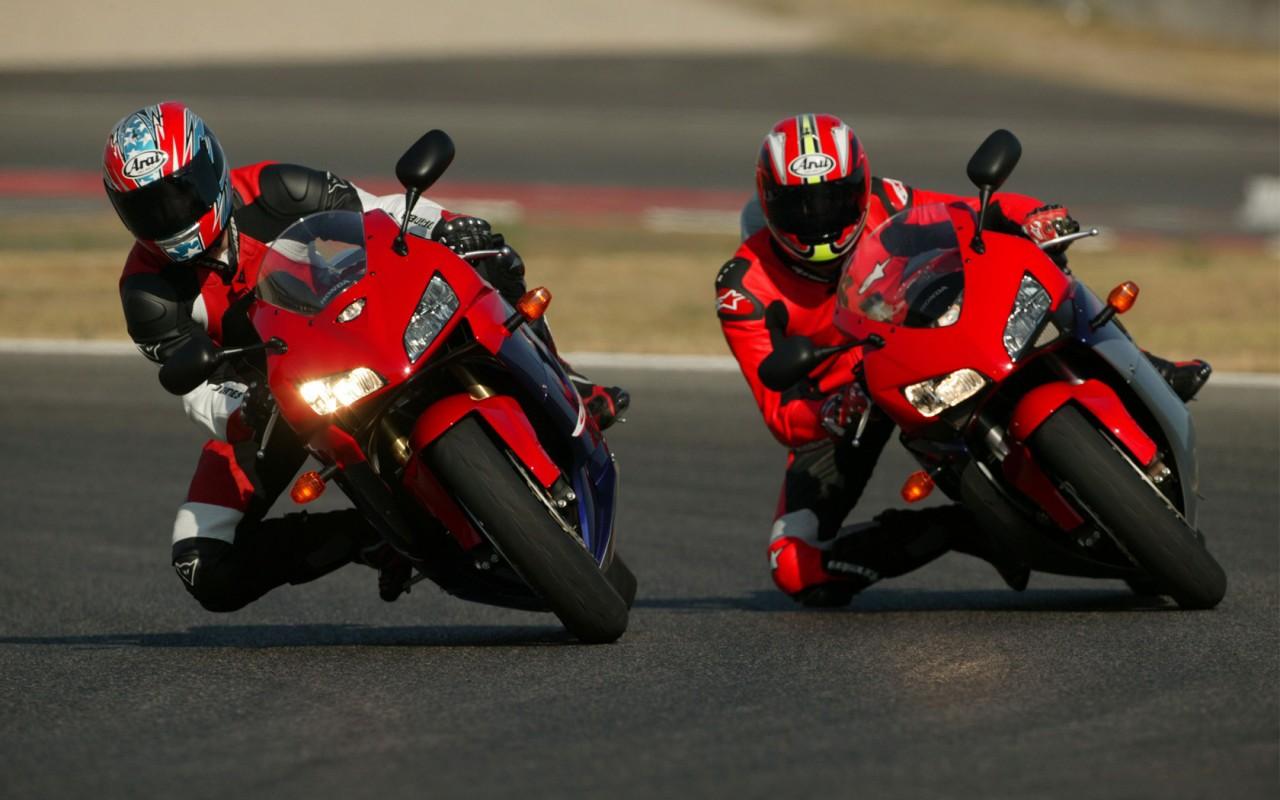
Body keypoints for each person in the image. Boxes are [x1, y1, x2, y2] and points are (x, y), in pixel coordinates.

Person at [104, 101, 628, 612]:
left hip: (358, 323)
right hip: (276, 399)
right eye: (148, 208)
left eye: (180, 194)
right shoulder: (149, 294)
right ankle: (375, 536)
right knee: (201, 564)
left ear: (210, 166)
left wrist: (447, 226)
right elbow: (195, 387)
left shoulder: (274, 188)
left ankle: (570, 384)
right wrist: (243, 405)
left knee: (489, 260)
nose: (170, 216)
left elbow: (379, 213)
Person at [717, 113, 1212, 607]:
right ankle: (970, 526)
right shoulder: (743, 288)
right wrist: (829, 412)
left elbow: (968, 213)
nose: (819, 219)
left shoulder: (887, 201)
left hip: (921, 340)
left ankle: (1142, 364)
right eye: (800, 207)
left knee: (1041, 263)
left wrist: (1035, 215)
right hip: (849, 403)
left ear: (860, 186)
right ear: (769, 202)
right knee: (794, 566)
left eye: (834, 200)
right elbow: (779, 411)